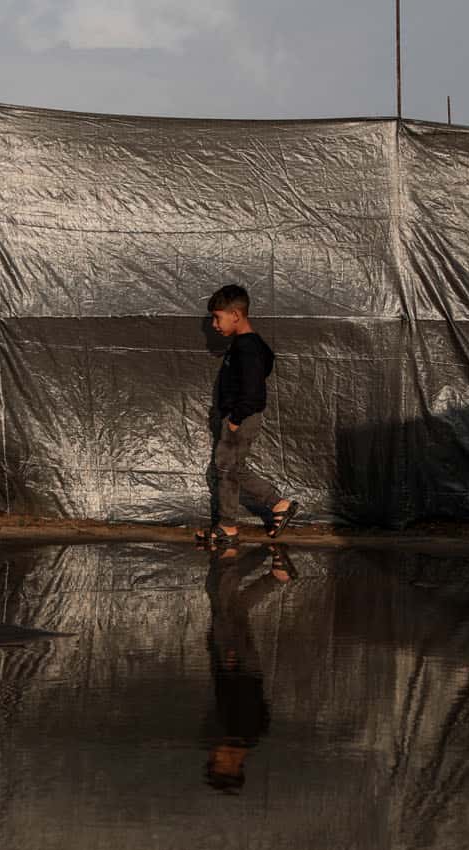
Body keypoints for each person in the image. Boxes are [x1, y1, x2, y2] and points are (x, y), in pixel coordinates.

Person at [201, 284, 297, 549]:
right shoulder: (247, 346)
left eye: (217, 317)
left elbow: (255, 393)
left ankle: (237, 522)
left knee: (226, 468)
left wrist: (235, 417)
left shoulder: (248, 348)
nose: (214, 324)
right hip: (237, 416)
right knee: (230, 468)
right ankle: (242, 520)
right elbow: (268, 360)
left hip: (241, 418)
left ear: (236, 315)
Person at [202, 542, 298, 793]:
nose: (214, 755)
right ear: (231, 764)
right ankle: (264, 555)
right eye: (218, 761)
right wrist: (232, 661)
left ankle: (275, 576)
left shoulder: (246, 735)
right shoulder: (242, 731)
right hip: (238, 665)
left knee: (232, 605)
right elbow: (243, 695)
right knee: (224, 593)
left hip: (236, 665)